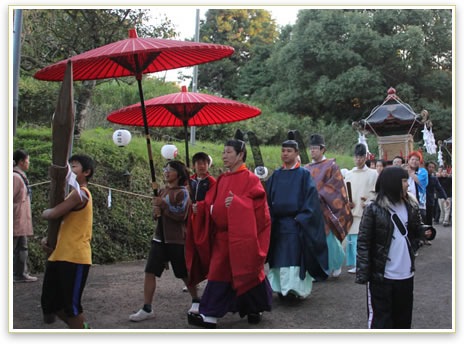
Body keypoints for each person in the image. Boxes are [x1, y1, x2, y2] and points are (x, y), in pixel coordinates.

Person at [186, 133, 272, 328]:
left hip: (242, 237)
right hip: (223, 237)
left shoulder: (251, 179)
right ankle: (223, 313)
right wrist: (201, 209)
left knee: (246, 271)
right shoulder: (223, 178)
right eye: (223, 152)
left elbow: (260, 209)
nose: (224, 156)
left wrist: (238, 204)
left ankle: (212, 314)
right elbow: (211, 202)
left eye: (228, 152)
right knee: (224, 272)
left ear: (240, 155)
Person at [355, 166, 434, 329]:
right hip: (381, 276)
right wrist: (364, 273)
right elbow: (364, 241)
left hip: (406, 274)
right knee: (381, 321)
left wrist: (425, 231)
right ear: (392, 183)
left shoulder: (411, 205)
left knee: (403, 320)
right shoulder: (374, 208)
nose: (408, 185)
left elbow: (415, 228)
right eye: (404, 181)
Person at [129, 160, 199, 322]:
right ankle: (147, 307)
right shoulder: (162, 191)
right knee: (150, 271)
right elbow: (158, 215)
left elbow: (180, 214)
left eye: (171, 169)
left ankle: (196, 300)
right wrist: (156, 210)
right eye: (165, 169)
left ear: (179, 174)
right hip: (159, 238)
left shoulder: (183, 193)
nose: (166, 172)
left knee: (182, 272)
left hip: (176, 239)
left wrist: (163, 206)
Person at [266, 136, 328, 300]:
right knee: (279, 258)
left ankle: (294, 291)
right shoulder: (276, 175)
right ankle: (279, 288)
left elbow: (312, 201)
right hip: (278, 224)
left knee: (293, 259)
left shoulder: (303, 175)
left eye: (289, 151)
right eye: (283, 151)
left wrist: (301, 218)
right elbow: (268, 200)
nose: (285, 154)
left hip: (296, 224)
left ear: (297, 153)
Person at [40, 154, 96, 329]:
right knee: (50, 303)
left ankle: (82, 332)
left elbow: (53, 214)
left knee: (71, 306)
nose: (70, 170)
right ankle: (80, 329)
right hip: (59, 255)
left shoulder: (81, 195)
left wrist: (45, 212)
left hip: (75, 257)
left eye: (75, 167)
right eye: (70, 166)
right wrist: (49, 239)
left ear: (86, 172)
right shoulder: (72, 195)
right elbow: (62, 224)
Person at [304, 134, 352, 278]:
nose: (312, 151)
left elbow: (336, 185)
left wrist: (320, 195)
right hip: (311, 209)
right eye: (311, 148)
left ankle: (336, 264)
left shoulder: (331, 165)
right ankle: (317, 269)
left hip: (326, 208)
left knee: (329, 240)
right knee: (313, 240)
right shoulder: (306, 168)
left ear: (323, 149)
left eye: (315, 148)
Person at [343, 143, 378, 274]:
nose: (358, 160)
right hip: (352, 210)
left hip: (365, 210)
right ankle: (355, 264)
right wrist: (347, 202)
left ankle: (365, 262)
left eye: (361, 157)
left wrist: (368, 201)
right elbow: (345, 192)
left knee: (364, 237)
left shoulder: (373, 174)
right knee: (352, 239)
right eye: (356, 157)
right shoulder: (349, 174)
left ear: (365, 158)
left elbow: (375, 192)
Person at [13, 149, 38, 283]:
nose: (28, 163)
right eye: (27, 161)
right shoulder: (15, 177)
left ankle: (20, 273)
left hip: (20, 220)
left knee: (22, 247)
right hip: (15, 219)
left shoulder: (19, 176)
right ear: (21, 161)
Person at [424, 161, 448, 227]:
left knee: (429, 221)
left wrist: (446, 198)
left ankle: (428, 235)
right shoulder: (421, 177)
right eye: (429, 167)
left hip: (429, 202)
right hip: (421, 202)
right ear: (426, 167)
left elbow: (440, 189)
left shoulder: (434, 179)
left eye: (433, 167)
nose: (431, 169)